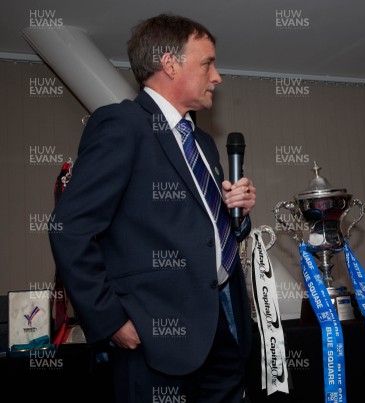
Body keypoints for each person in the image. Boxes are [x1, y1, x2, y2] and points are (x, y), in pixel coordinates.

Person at [49, 13, 256, 403]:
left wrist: (236, 212)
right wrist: (111, 321)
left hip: (221, 334)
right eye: (208, 63)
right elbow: (69, 228)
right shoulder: (121, 125)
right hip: (154, 343)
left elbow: (205, 233)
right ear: (170, 63)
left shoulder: (203, 144)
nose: (218, 77)